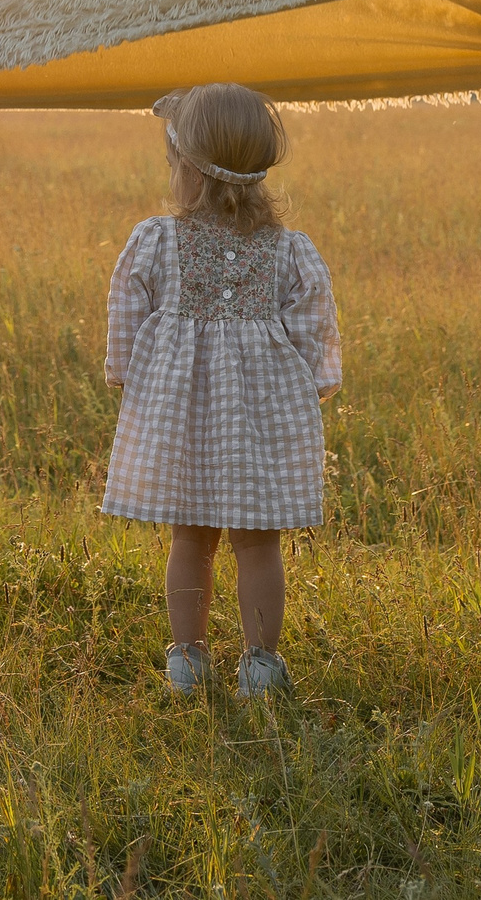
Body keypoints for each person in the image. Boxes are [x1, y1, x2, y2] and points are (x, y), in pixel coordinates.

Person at [103, 83, 341, 697]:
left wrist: (132, 380)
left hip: (182, 417)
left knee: (191, 538)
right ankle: (260, 668)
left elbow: (126, 313)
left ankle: (188, 663)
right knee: (258, 542)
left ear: (188, 169)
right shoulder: (289, 252)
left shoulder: (156, 241)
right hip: (260, 424)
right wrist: (306, 393)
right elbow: (313, 334)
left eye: (172, 163)